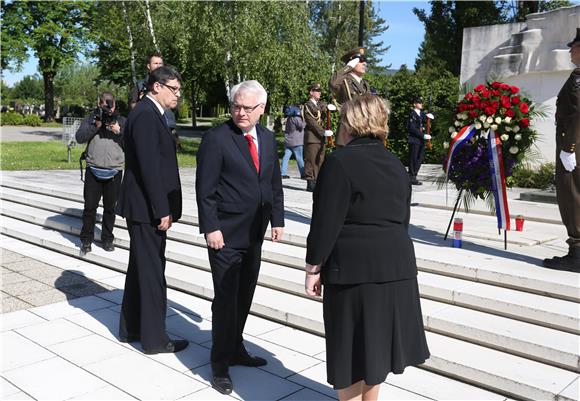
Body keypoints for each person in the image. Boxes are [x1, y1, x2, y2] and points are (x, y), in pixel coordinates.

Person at [305, 94, 430, 400]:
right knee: (375, 352)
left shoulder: (339, 161)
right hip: (395, 269)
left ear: (350, 123)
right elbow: (403, 218)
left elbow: (325, 221)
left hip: (353, 270)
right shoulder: (395, 164)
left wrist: (313, 267)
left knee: (349, 351)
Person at [196, 80, 285, 395]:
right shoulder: (217, 139)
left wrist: (278, 219)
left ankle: (236, 348)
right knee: (225, 299)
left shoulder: (268, 138)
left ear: (262, 109)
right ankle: (219, 364)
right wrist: (211, 227)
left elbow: (273, 182)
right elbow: (205, 189)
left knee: (245, 294)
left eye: (248, 107)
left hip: (255, 234)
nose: (241, 112)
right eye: (236, 106)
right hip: (225, 236)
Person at [116, 66, 188, 355]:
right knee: (152, 273)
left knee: (140, 269)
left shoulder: (151, 113)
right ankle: (155, 339)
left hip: (145, 206)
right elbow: (148, 168)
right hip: (147, 209)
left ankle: (130, 328)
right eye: (174, 89)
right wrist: (162, 209)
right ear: (157, 86)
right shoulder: (146, 114)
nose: (178, 95)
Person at [543, 28, 580, 273]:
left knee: (571, 197)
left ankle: (576, 254)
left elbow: (577, 115)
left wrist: (569, 148)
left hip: (573, 149)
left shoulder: (578, 79)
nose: (570, 50)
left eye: (574, 47)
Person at [76, 92, 125, 256]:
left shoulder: (122, 121)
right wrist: (95, 126)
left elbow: (133, 143)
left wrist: (120, 131)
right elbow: (80, 137)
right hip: (93, 169)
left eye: (110, 104)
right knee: (89, 208)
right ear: (99, 104)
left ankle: (107, 238)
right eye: (105, 104)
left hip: (114, 171)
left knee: (110, 208)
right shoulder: (91, 119)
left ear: (115, 105)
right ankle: (86, 240)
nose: (108, 107)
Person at [129, 51, 179, 145]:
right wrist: (143, 101)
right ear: (148, 66)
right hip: (148, 126)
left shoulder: (171, 84)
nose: (158, 66)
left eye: (160, 63)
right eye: (155, 63)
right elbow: (132, 105)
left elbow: (176, 106)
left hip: (168, 126)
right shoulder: (140, 85)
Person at [303, 83, 332, 192]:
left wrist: (329, 107)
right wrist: (323, 132)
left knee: (320, 160)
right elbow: (312, 122)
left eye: (320, 91)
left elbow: (324, 109)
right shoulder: (307, 106)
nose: (319, 92)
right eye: (317, 90)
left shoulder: (320, 104)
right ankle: (310, 182)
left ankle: (318, 181)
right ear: (311, 92)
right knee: (311, 160)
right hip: (312, 137)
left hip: (320, 138)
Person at [407, 97, 431, 186]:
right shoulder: (412, 114)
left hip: (421, 140)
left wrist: (431, 116)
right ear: (414, 104)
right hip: (414, 139)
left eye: (421, 103)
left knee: (419, 158)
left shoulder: (422, 114)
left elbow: (428, 120)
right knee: (413, 158)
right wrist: (422, 135)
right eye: (419, 103)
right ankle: (411, 177)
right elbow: (412, 128)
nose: (421, 104)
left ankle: (414, 175)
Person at [280, 106, 305, 179]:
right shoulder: (296, 118)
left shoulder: (289, 119)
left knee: (286, 157)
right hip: (297, 142)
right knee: (299, 158)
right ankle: (303, 174)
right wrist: (305, 120)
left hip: (288, 141)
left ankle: (283, 173)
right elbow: (302, 126)